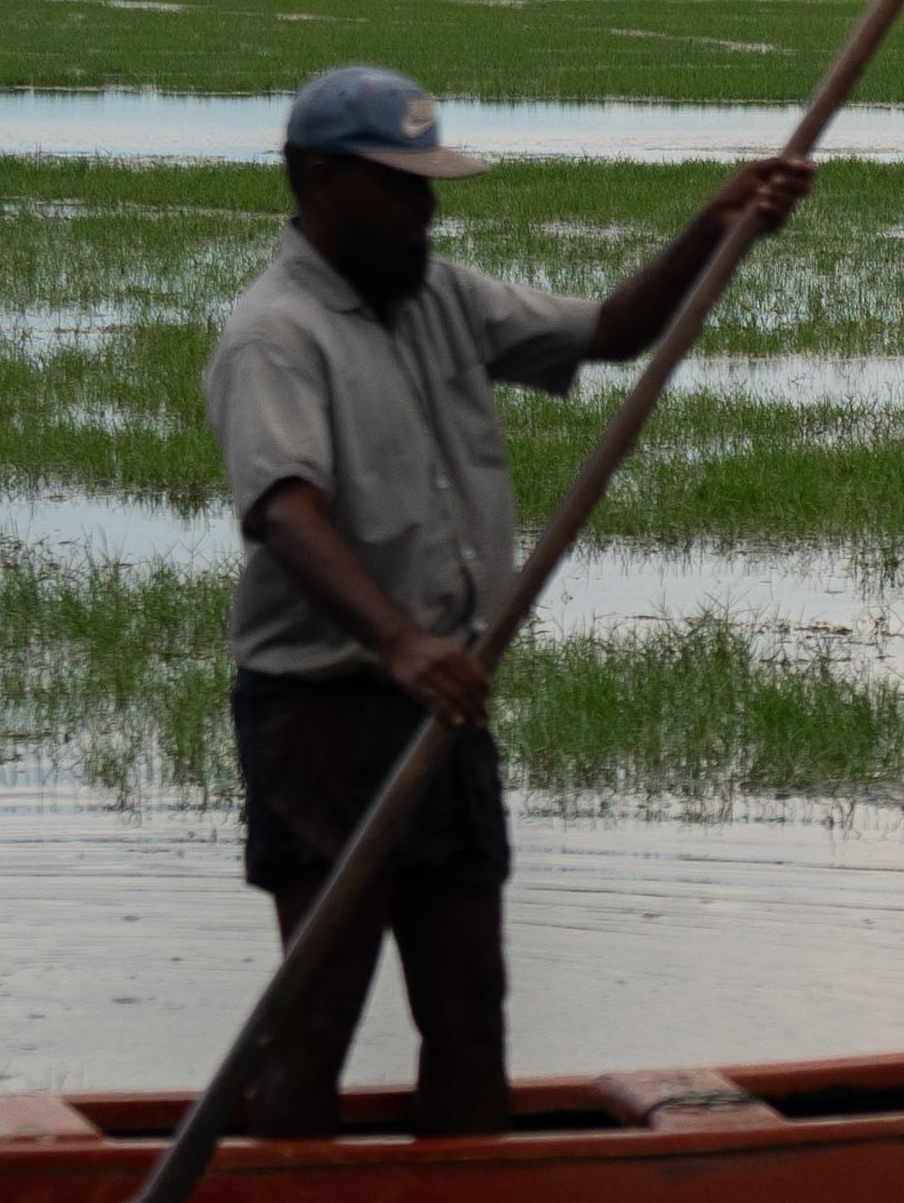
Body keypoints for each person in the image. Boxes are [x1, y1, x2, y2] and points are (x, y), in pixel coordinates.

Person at [205, 63, 811, 1138]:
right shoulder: (275, 331)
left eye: (429, 185)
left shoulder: (444, 296)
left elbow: (615, 331)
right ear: (316, 180)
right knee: (319, 1010)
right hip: (324, 710)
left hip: (440, 703)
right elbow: (284, 510)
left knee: (469, 1007)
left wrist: (716, 229)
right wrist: (397, 643)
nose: (423, 208)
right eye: (397, 187)